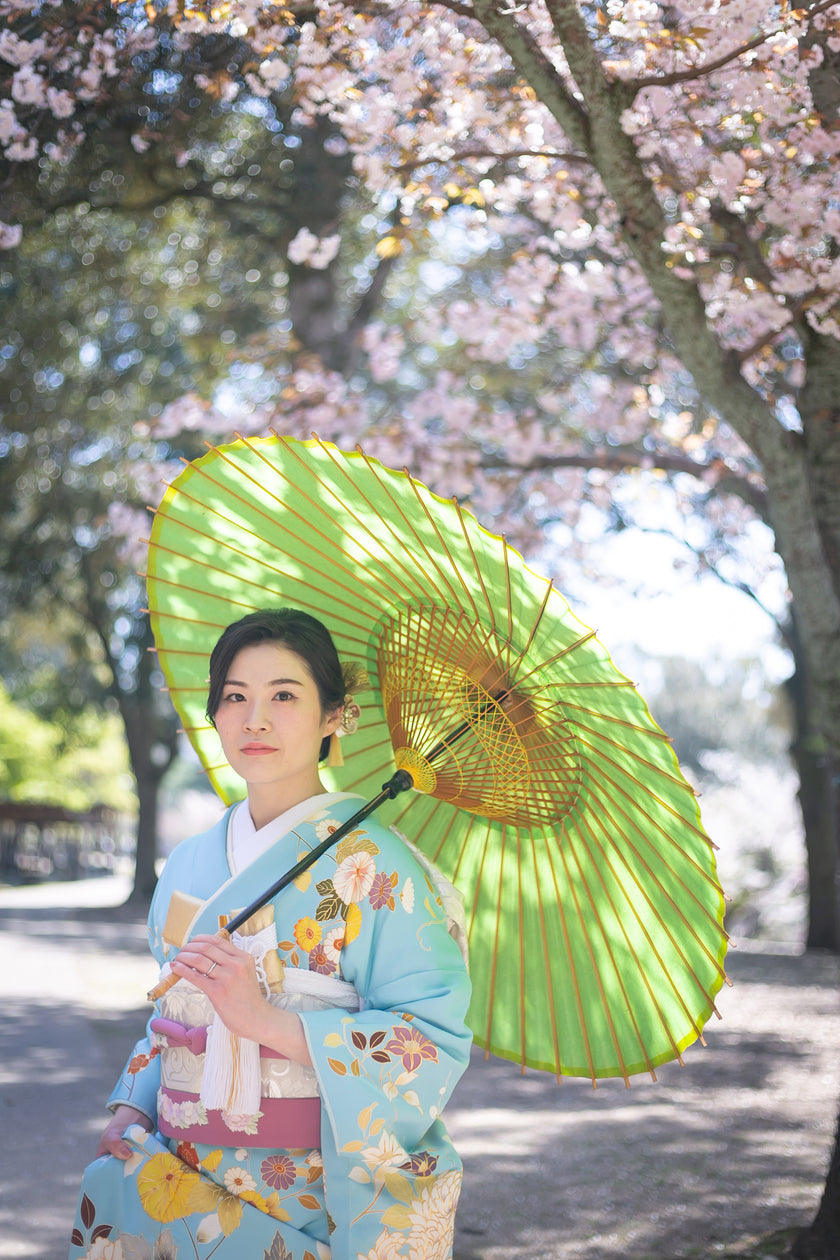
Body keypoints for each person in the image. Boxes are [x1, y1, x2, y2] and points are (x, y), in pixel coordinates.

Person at [69, 608, 472, 1260]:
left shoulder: (380, 868)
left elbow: (429, 1040)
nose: (254, 719)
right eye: (235, 697)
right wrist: (135, 1106)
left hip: (309, 1187)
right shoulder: (189, 862)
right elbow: (172, 1011)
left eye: (284, 696)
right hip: (176, 1174)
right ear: (215, 714)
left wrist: (266, 1022)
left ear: (334, 715)